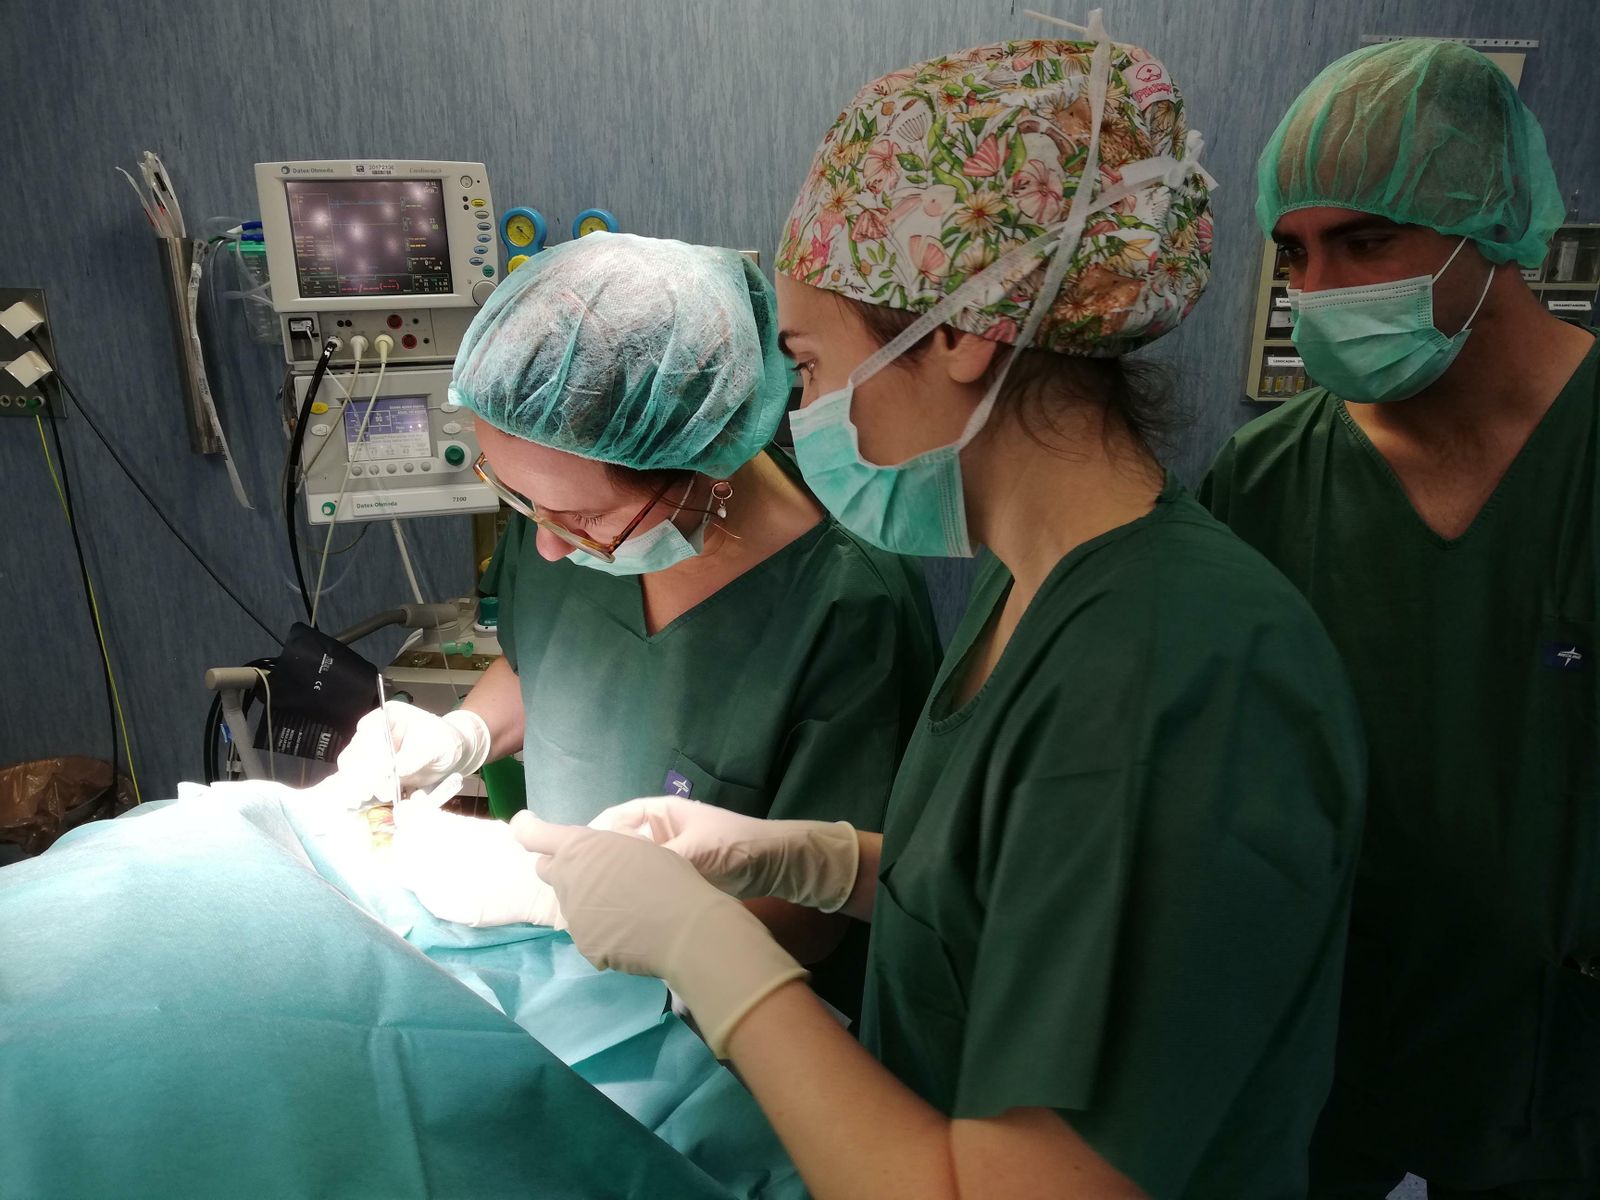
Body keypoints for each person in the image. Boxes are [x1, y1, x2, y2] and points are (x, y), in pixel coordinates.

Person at [516, 20, 1367, 1198]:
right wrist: (810, 859)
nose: (798, 418)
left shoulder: (1178, 672)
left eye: (807, 370)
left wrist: (706, 954)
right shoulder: (1029, 589)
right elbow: (1018, 893)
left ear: (961, 333)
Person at [334, 233, 940, 1020]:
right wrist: (460, 737)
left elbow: (810, 920)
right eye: (517, 500)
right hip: (568, 990)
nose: (547, 544)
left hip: (733, 1027)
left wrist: (570, 903)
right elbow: (540, 661)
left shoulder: (849, 607)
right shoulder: (555, 501)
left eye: (584, 519)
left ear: (705, 467)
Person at [1200, 40, 1599, 1199]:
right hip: (1333, 1064)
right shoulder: (1266, 482)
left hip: (1559, 1088)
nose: (1319, 292)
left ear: (1491, 225)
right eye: (1294, 252)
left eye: (1366, 242)